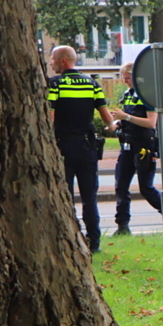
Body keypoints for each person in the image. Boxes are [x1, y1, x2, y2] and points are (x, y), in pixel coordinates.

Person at [47, 45, 115, 253]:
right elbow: (107, 117)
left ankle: (68, 239)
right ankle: (94, 243)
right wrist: (113, 125)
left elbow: (50, 117)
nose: (51, 63)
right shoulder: (92, 83)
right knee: (89, 197)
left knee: (64, 196)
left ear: (63, 61)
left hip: (63, 146)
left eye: (52, 59)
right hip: (87, 147)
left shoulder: (55, 84)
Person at [110, 62, 163, 236]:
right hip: (127, 145)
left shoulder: (148, 95)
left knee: (145, 187)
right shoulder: (128, 94)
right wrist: (117, 122)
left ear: (136, 77)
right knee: (121, 186)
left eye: (127, 78)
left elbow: (150, 122)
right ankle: (123, 226)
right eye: (123, 78)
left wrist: (125, 116)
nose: (125, 81)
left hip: (144, 147)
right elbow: (129, 118)